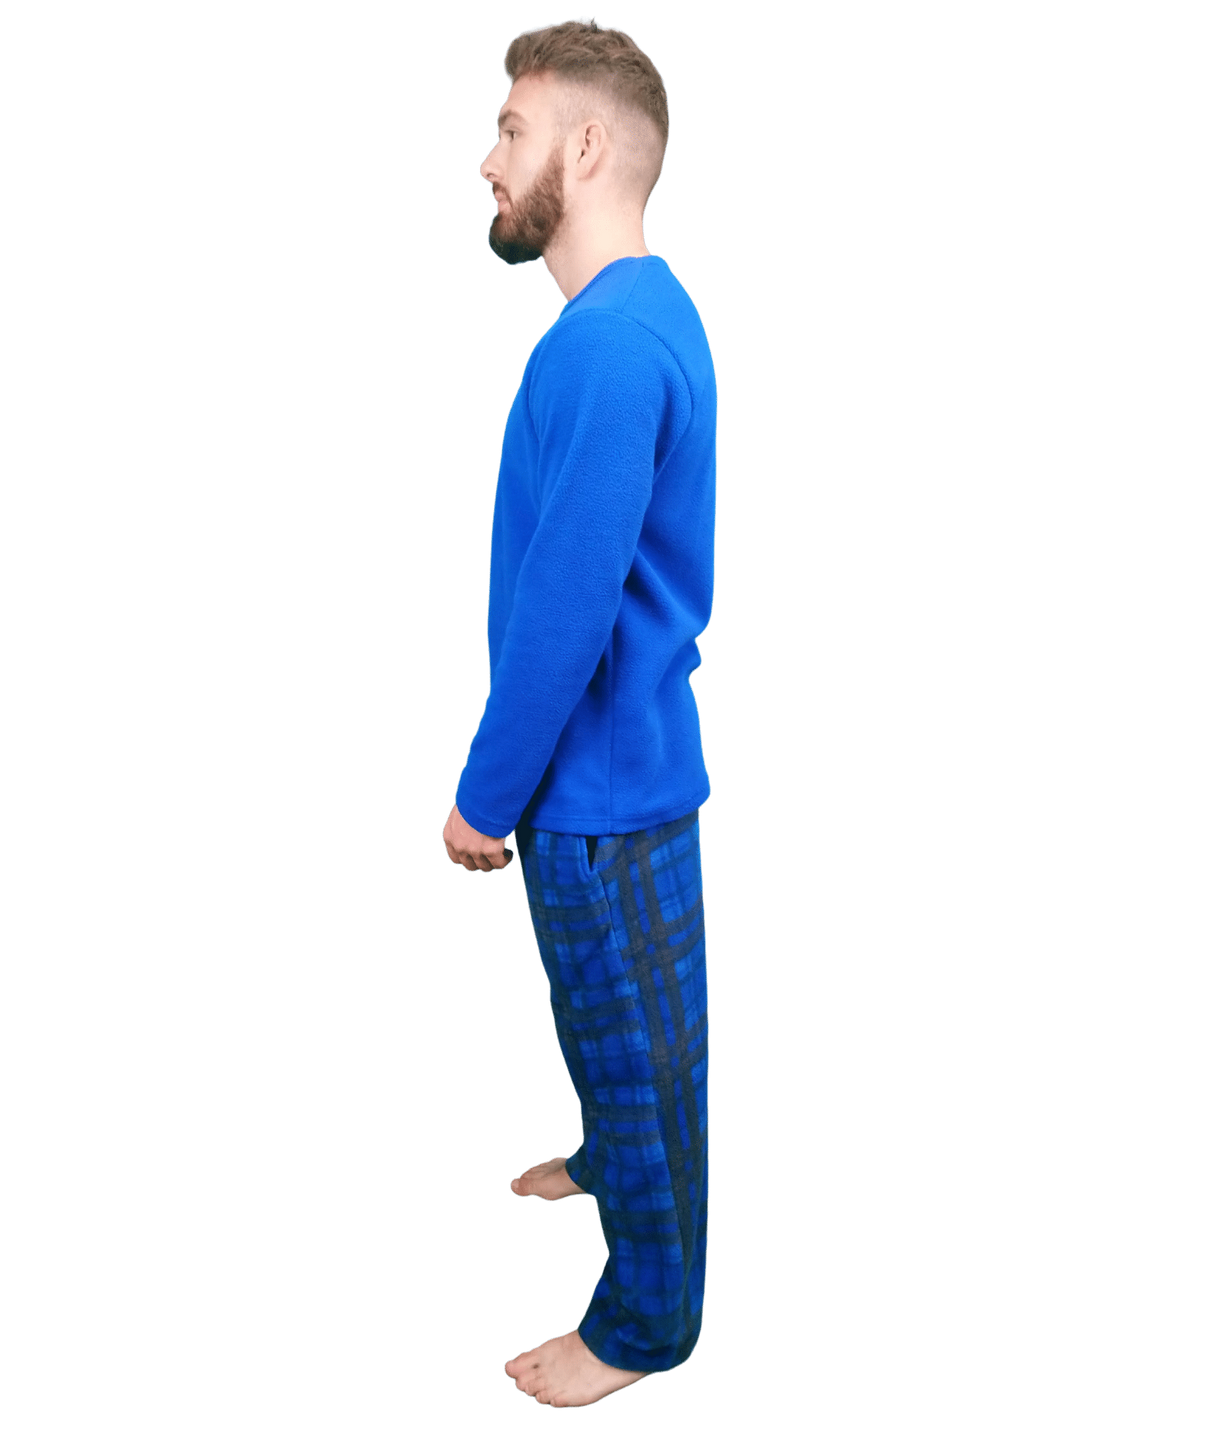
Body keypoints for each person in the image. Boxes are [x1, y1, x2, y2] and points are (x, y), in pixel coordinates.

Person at [445, 19, 716, 1412]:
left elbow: (564, 615)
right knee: (627, 1028)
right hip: (627, 777)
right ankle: (608, 1158)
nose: (488, 159)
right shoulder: (648, 310)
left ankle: (643, 1328)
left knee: (645, 1054)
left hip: (594, 800)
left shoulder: (601, 350)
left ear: (590, 145)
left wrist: (483, 799)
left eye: (512, 129)